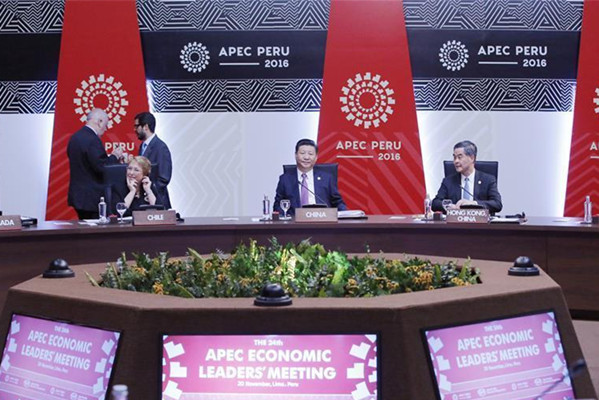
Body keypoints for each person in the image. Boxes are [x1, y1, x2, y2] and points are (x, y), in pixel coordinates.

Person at [67, 108, 123, 219]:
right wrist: (115, 156)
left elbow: (87, 163)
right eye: (105, 125)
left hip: (78, 197)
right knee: (94, 229)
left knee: (83, 227)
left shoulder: (74, 137)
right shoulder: (93, 140)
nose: (106, 129)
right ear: (99, 121)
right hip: (91, 198)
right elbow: (102, 167)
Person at [274, 138, 347, 215]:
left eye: (310, 154)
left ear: (316, 157)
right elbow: (278, 206)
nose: (306, 157)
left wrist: (344, 215)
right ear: (296, 155)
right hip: (295, 220)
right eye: (302, 153)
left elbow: (338, 202)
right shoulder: (285, 179)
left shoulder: (327, 178)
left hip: (322, 219)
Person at [432, 140, 502, 214]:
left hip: (480, 221)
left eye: (459, 157)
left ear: (472, 158)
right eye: (454, 157)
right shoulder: (448, 181)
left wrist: (473, 203)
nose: (456, 161)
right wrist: (449, 206)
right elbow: (435, 203)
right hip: (456, 220)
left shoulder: (488, 180)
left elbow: (497, 204)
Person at [134, 111, 172, 209]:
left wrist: (149, 190)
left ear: (145, 127)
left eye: (137, 126)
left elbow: (164, 178)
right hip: (144, 201)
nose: (134, 129)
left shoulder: (160, 147)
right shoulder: (143, 146)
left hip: (157, 202)